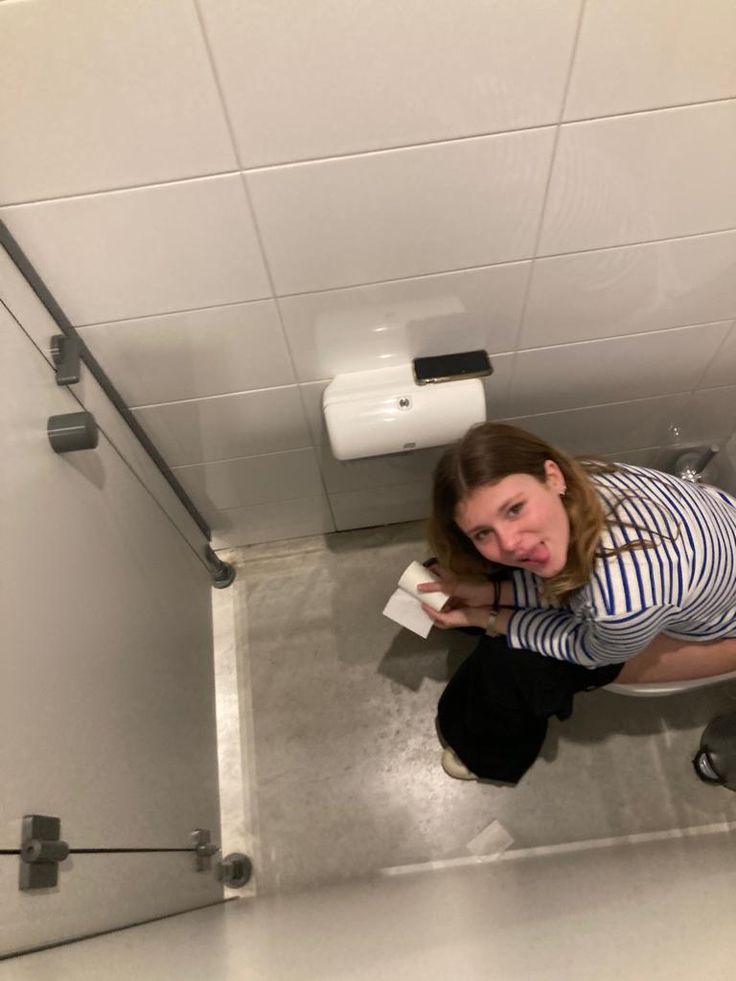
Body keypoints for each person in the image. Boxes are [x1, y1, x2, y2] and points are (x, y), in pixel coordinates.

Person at [418, 422, 736, 783]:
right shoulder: (582, 477)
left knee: (511, 665)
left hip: (716, 621)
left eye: (514, 509)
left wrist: (488, 618)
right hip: (719, 536)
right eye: (482, 532)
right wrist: (487, 595)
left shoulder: (620, 601)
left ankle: (487, 751)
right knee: (491, 572)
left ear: (552, 476)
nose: (509, 543)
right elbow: (568, 581)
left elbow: (588, 648)